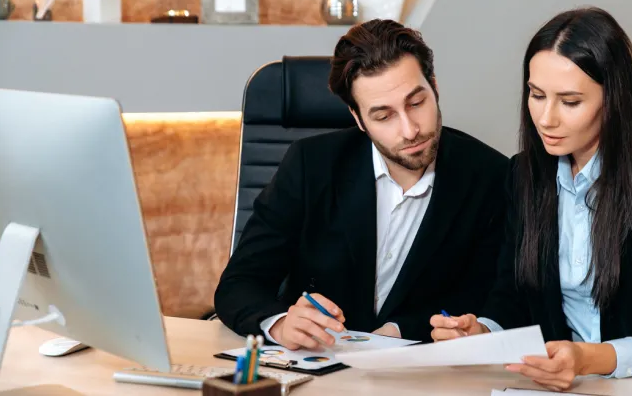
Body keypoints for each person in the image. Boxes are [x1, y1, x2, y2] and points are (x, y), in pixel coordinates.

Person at [430, 7, 632, 391]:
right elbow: (512, 296)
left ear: (614, 100)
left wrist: (590, 358)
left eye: (570, 102)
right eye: (537, 95)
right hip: (571, 384)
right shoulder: (524, 175)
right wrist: (480, 331)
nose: (546, 118)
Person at [214, 19, 509, 350]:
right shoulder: (310, 165)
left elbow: (489, 297)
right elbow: (239, 284)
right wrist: (280, 323)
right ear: (358, 118)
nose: (410, 129)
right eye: (384, 116)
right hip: (319, 369)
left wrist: (403, 331)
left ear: (434, 87)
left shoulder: (493, 176)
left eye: (417, 103)